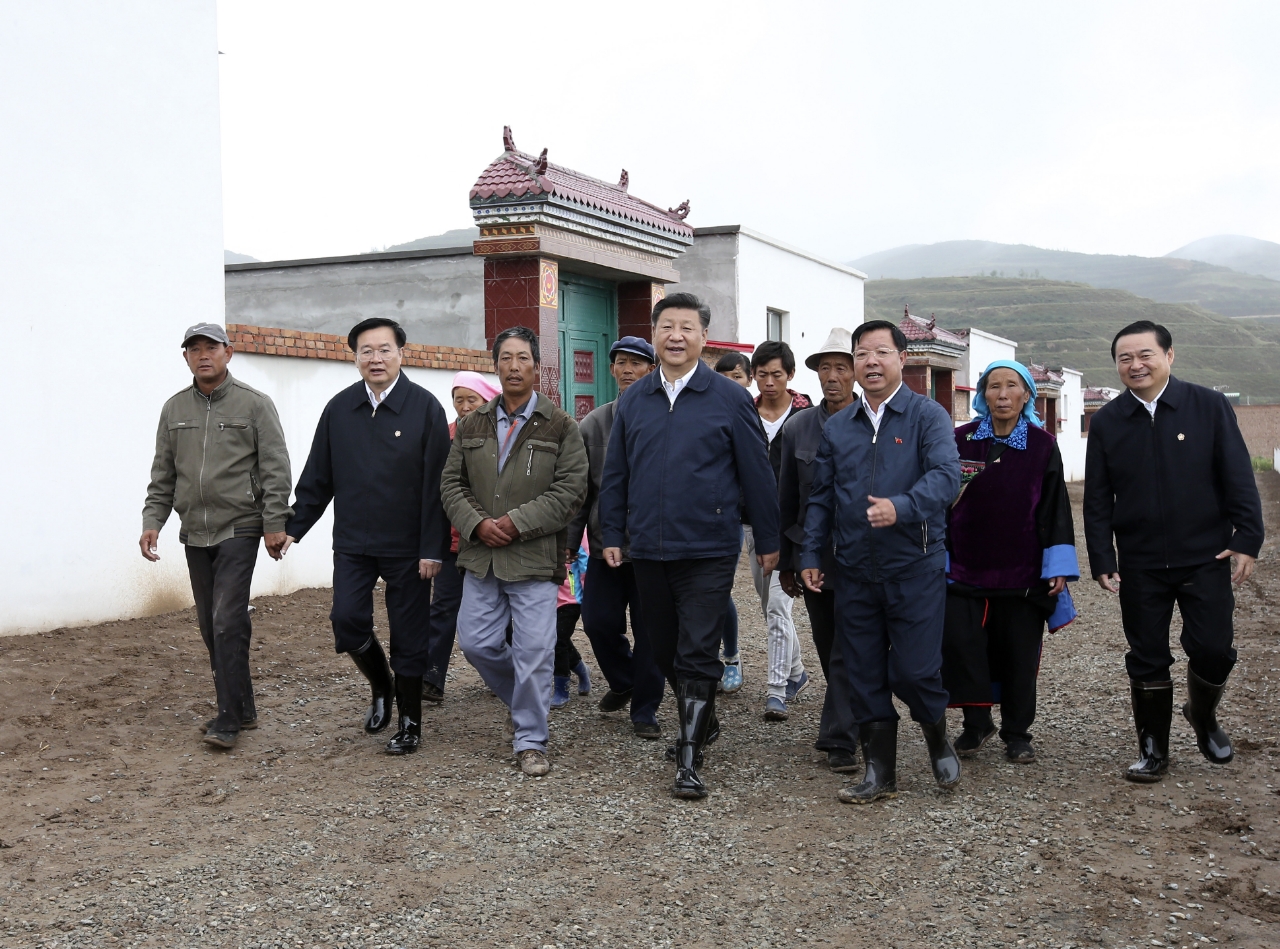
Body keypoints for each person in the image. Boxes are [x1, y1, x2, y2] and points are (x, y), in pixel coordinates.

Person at [599, 292, 780, 799]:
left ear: (703, 337)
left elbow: (757, 474)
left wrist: (768, 539)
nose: (675, 336)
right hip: (650, 548)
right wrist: (612, 533)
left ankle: (689, 754)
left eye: (686, 327)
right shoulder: (635, 399)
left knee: (698, 648)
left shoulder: (728, 398)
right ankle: (704, 718)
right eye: (666, 326)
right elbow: (617, 475)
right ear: (655, 334)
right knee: (662, 649)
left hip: (708, 547)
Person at [1084, 320, 1263, 782]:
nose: (1135, 365)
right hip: (1141, 562)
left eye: (1145, 355)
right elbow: (1099, 497)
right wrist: (1103, 557)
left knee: (1214, 649)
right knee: (1146, 656)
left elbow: (1238, 475)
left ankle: (1202, 715)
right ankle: (1153, 749)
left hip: (1206, 555)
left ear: (1169, 356)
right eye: (1125, 358)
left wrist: (1247, 539)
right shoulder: (1107, 421)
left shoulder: (1208, 406)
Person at [801, 319, 962, 804]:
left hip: (915, 565)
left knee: (914, 671)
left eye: (881, 353)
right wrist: (811, 552)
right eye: (862, 354)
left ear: (902, 359)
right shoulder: (838, 427)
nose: (871, 362)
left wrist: (904, 506)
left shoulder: (927, 416)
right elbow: (821, 497)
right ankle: (879, 772)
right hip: (853, 571)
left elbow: (947, 476)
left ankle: (937, 738)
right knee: (863, 672)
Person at [284, 317, 451, 756]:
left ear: (401, 353)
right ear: (354, 356)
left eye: (384, 349)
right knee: (347, 620)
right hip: (354, 543)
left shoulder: (425, 408)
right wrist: (293, 528)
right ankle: (382, 685)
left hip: (410, 548)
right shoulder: (340, 409)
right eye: (365, 351)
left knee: (410, 635)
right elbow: (318, 476)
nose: (375, 358)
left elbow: (439, 486)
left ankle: (410, 723)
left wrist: (433, 548)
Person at [440, 326, 589, 777]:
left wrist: (515, 522)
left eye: (522, 358)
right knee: (477, 643)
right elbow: (451, 484)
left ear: (536, 365)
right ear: (496, 364)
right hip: (481, 556)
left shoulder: (561, 425)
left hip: (534, 558)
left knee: (536, 652)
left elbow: (571, 490)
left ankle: (530, 739)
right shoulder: (472, 424)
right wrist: (477, 523)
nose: (513, 366)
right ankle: (528, 702)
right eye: (505, 358)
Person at [141, 323, 293, 750]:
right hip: (195, 532)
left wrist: (274, 522)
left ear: (229, 352)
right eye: (194, 349)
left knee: (226, 620)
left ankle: (227, 718)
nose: (203, 354)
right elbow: (163, 473)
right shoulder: (174, 410)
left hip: (240, 527)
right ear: (185, 357)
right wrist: (153, 520)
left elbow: (276, 468)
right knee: (213, 624)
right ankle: (243, 706)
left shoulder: (254, 405)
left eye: (211, 347)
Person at [941, 360, 1080, 765]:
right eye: (993, 387)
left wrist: (1056, 566)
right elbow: (941, 502)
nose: (1002, 394)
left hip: (1022, 573)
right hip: (964, 570)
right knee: (966, 650)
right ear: (982, 394)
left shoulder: (1041, 445)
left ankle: (1018, 733)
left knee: (1019, 655)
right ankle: (976, 724)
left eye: (1011, 386)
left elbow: (1055, 509)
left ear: (1026, 395)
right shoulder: (959, 440)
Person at [567, 336, 667, 738]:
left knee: (650, 633)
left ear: (651, 369)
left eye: (636, 363)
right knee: (597, 622)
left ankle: (645, 711)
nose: (627, 369)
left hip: (652, 550)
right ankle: (624, 679)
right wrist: (569, 547)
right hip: (606, 546)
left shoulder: (665, 418)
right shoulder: (594, 424)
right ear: (611, 370)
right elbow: (580, 493)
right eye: (620, 362)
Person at [777, 327, 861, 772]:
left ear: (856, 373)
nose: (832, 376)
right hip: (815, 561)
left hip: (864, 559)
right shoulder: (798, 428)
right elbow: (787, 500)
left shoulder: (874, 424)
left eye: (840, 368)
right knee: (830, 647)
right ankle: (857, 714)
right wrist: (789, 562)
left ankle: (839, 739)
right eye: (825, 368)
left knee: (850, 645)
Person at [425, 370, 502, 704]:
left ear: (487, 401)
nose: (465, 406)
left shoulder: (502, 435)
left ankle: (502, 674)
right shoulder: (446, 436)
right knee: (443, 607)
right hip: (452, 542)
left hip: (491, 540)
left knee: (502, 609)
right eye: (459, 399)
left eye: (473, 399)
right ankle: (432, 677)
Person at [750, 340, 813, 720]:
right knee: (767, 605)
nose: (769, 382)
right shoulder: (743, 412)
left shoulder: (807, 416)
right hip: (751, 522)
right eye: (762, 375)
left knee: (777, 604)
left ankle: (776, 690)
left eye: (776, 374)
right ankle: (797, 671)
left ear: (790, 375)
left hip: (791, 525)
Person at [713, 351, 751, 694]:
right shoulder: (701, 412)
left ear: (748, 380)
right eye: (722, 377)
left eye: (736, 377)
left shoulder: (746, 413)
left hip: (732, 517)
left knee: (720, 591)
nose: (729, 384)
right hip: (698, 515)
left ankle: (732, 656)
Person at [550, 531, 592, 708]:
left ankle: (561, 688)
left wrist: (588, 595)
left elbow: (585, 561)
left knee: (558, 640)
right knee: (560, 640)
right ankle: (582, 670)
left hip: (571, 598)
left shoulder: (576, 529)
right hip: (546, 597)